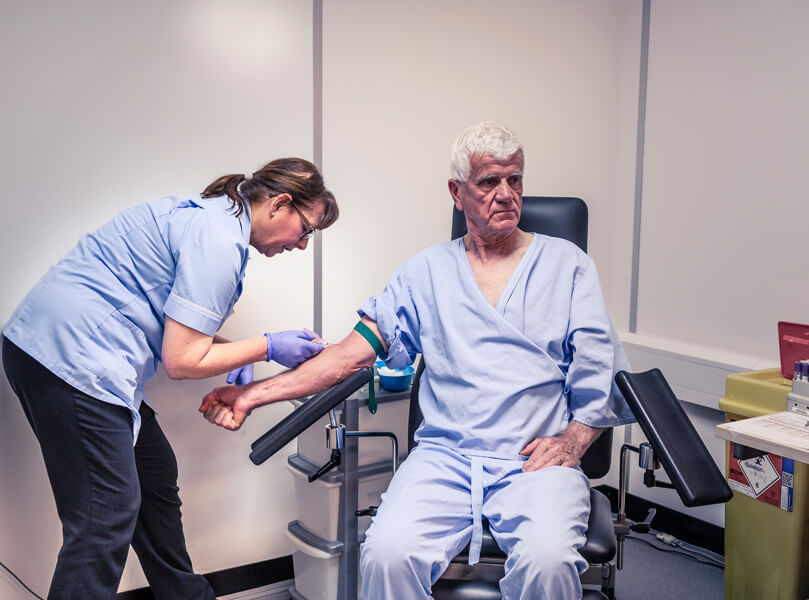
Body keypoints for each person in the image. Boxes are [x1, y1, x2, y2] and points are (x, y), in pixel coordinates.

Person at [199, 123, 635, 599]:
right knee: (385, 554)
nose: (507, 194)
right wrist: (251, 395)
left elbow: (599, 371)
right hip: (445, 459)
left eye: (516, 180)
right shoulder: (425, 273)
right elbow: (347, 357)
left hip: (535, 460)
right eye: (490, 182)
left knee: (548, 562)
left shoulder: (569, 267)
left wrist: (574, 440)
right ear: (457, 192)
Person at [2, 157, 338, 600]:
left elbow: (180, 315)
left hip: (60, 350)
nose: (302, 245)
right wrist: (267, 345)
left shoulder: (215, 215)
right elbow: (181, 361)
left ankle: (185, 596)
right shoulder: (219, 241)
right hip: (73, 361)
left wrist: (232, 346)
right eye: (307, 230)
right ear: (279, 204)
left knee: (155, 476)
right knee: (104, 519)